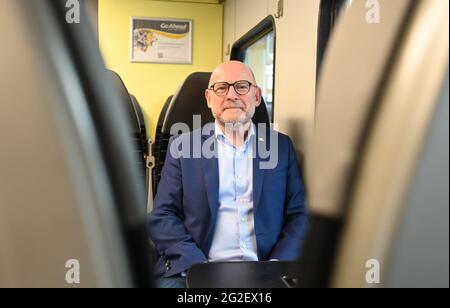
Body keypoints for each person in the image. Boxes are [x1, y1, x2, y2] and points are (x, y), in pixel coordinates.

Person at [148, 61, 309, 288]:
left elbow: (299, 215)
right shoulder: (182, 147)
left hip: (267, 269)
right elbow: (163, 215)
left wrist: (277, 264)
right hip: (194, 268)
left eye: (242, 86)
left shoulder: (281, 147)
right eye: (221, 88)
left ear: (257, 96)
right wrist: (198, 265)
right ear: (208, 98)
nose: (232, 95)